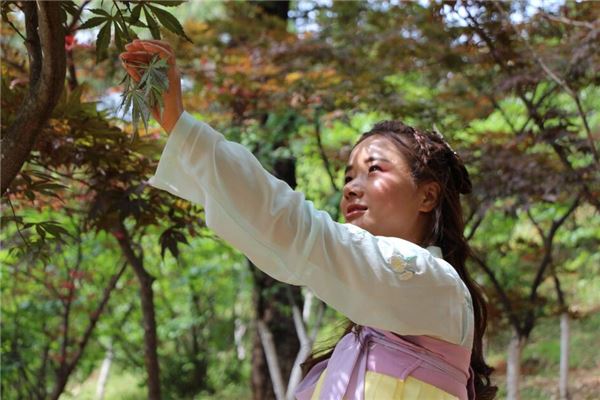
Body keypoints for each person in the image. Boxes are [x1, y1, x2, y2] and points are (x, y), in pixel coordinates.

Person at [120, 39, 497, 400]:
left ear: (427, 195)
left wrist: (180, 125)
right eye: (348, 176)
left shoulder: (433, 282)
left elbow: (295, 228)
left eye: (374, 170)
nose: (351, 188)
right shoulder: (373, 320)